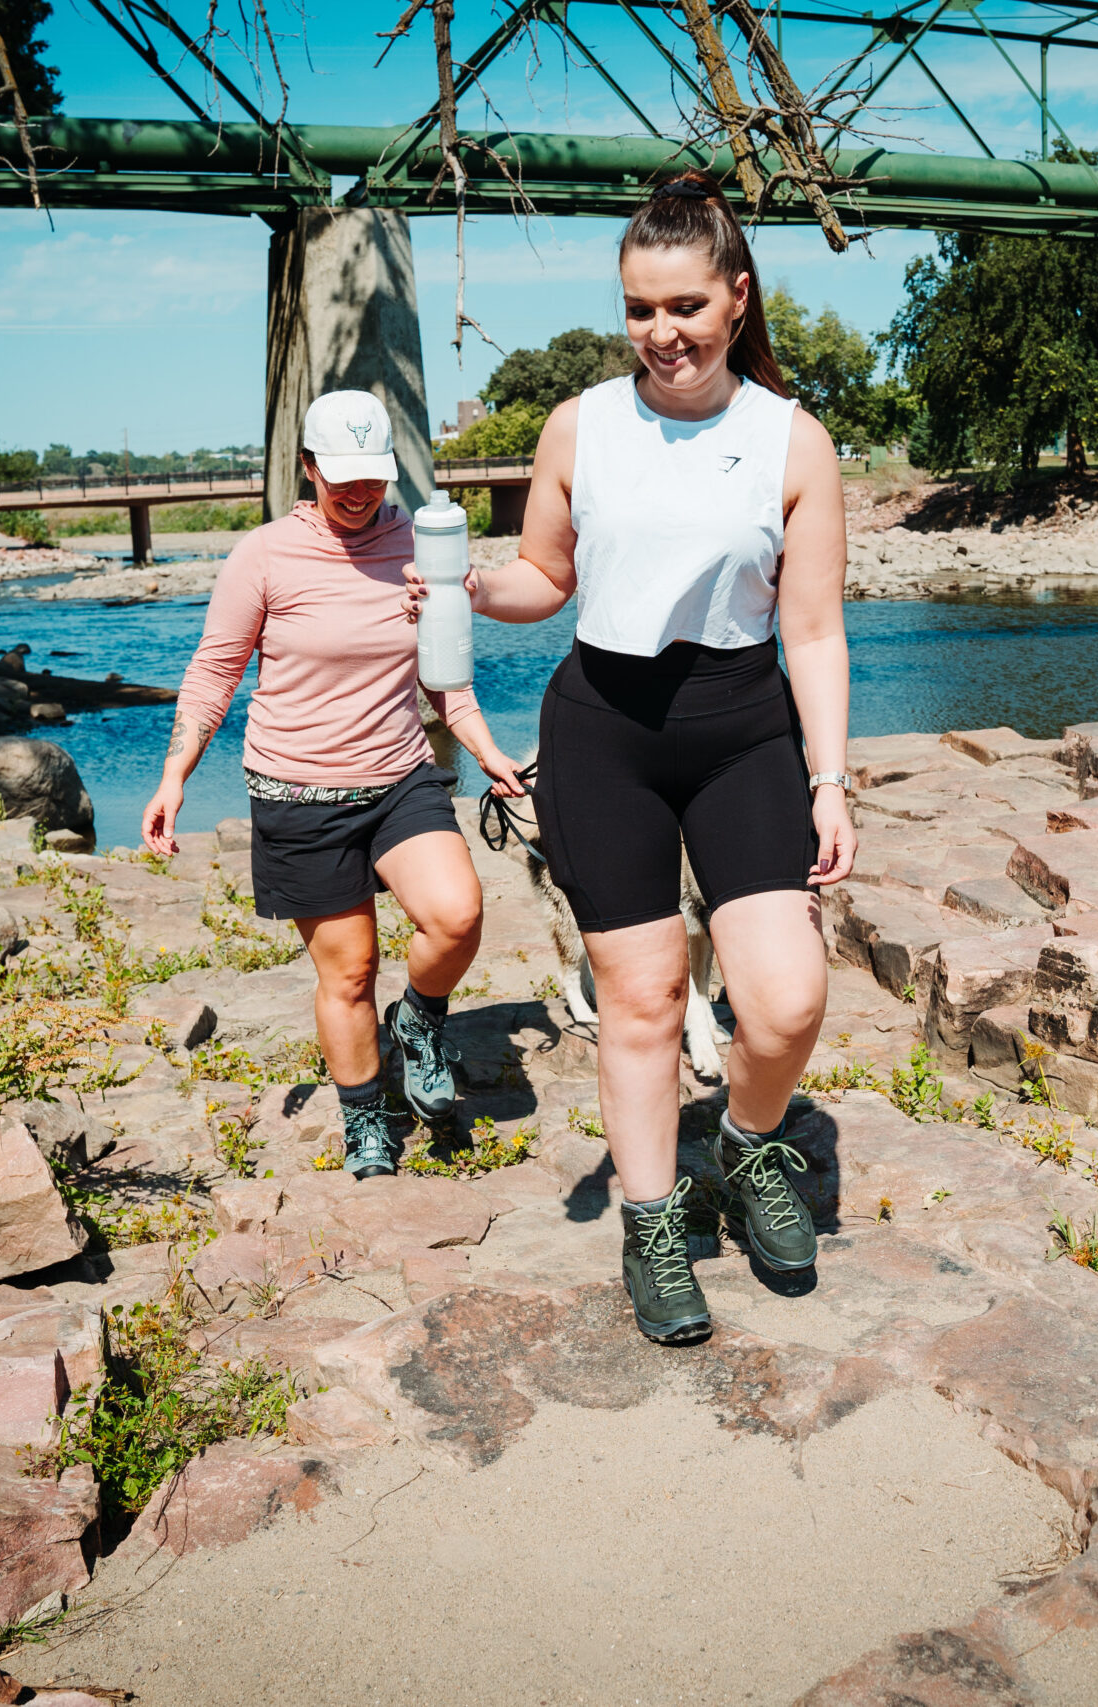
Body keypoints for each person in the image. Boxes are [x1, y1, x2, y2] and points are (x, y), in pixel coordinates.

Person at [409, 172, 856, 1347]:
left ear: (738, 299)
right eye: (639, 308)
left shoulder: (791, 441)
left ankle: (747, 1146)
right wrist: (466, 588)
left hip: (742, 727)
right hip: (604, 728)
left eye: (685, 306)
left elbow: (809, 628)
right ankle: (654, 1223)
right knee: (644, 1000)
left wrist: (829, 777)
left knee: (785, 996)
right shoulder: (582, 425)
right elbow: (543, 580)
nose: (662, 333)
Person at [144, 389, 526, 1178]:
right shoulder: (264, 555)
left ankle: (418, 1022)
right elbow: (216, 670)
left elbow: (445, 672)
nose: (359, 493)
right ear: (308, 467)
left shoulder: (420, 545)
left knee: (456, 915)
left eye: (373, 477)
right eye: (341, 476)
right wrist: (174, 776)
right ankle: (364, 1119)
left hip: (399, 777)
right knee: (348, 970)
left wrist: (486, 748)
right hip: (297, 792)